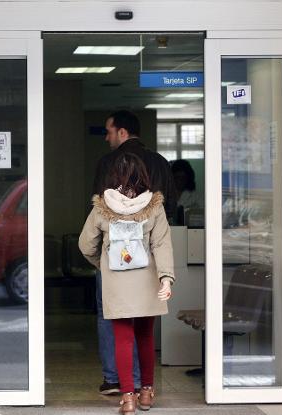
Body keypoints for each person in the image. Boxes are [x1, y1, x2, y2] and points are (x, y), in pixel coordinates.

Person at [79, 152, 175, 415]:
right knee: (145, 336)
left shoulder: (101, 208)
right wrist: (165, 277)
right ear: (143, 176)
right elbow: (162, 244)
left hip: (117, 283)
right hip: (147, 282)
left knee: (123, 339)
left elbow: (86, 244)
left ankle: (128, 398)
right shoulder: (154, 206)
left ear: (112, 178)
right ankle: (146, 393)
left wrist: (104, 265)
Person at [91, 110, 178, 395]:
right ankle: (144, 387)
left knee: (114, 322)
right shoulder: (162, 165)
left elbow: (90, 229)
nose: (106, 137)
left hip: (114, 263)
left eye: (109, 131)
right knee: (144, 329)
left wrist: (102, 260)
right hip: (148, 266)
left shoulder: (107, 163)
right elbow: (171, 211)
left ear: (123, 132)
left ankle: (116, 381)